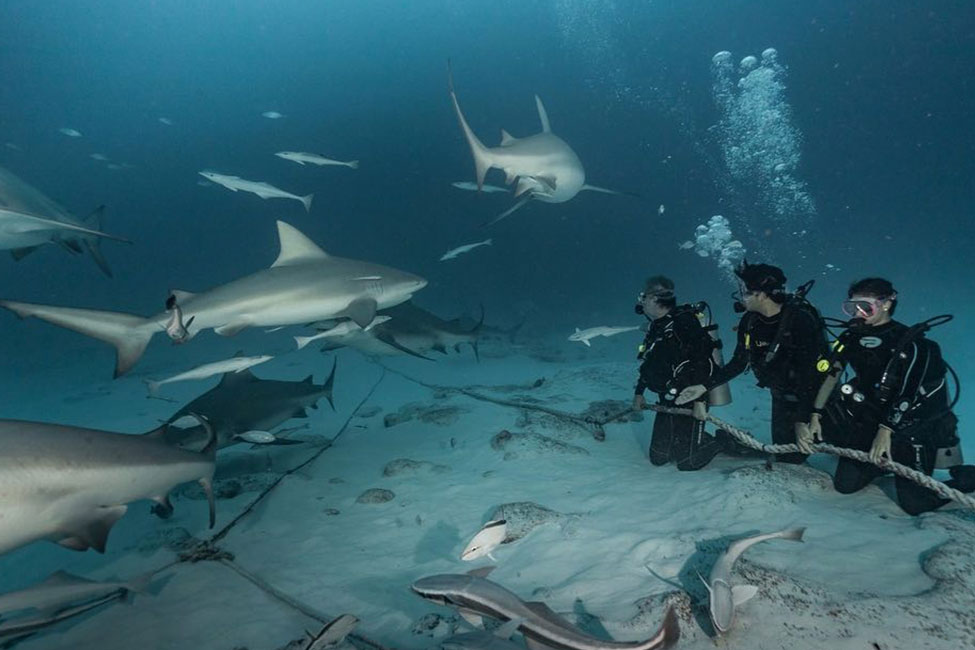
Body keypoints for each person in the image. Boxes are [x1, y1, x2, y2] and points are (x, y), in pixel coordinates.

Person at [802, 278, 974, 515]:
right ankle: (882, 466)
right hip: (871, 422)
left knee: (916, 505)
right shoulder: (849, 339)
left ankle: (967, 478)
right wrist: (815, 413)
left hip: (910, 430)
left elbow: (908, 392)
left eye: (865, 306)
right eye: (852, 308)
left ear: (885, 304)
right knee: (845, 486)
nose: (858, 313)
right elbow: (831, 375)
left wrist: (886, 430)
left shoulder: (914, 344)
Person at [676, 261, 827, 464]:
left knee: (840, 446)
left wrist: (803, 419)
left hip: (817, 400)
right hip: (781, 397)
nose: (741, 297)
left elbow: (811, 376)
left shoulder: (801, 321)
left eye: (745, 292)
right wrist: (703, 387)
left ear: (762, 295)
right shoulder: (750, 321)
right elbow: (738, 363)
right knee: (789, 457)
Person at [632, 276, 725, 470]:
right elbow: (648, 362)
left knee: (687, 463)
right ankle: (690, 438)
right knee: (658, 458)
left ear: (657, 300)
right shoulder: (656, 326)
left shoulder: (684, 322)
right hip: (667, 398)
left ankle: (722, 441)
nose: (640, 301)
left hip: (692, 399)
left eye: (644, 297)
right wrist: (639, 392)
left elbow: (705, 363)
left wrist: (700, 402)